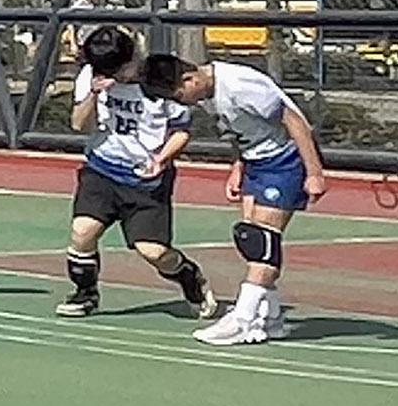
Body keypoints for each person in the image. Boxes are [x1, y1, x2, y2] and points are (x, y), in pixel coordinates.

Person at [141, 53, 328, 346]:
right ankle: (271, 316)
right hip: (256, 162)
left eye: (179, 95)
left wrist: (314, 173)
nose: (182, 103)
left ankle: (242, 319)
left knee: (264, 243)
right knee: (250, 239)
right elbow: (239, 131)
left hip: (284, 162)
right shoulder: (208, 93)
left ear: (190, 79)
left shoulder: (241, 85)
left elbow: (295, 122)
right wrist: (238, 168)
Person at [57, 26, 215, 323]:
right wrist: (93, 93)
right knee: (82, 231)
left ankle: (189, 276)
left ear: (133, 58)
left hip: (145, 180)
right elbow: (79, 125)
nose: (117, 76)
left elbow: (181, 132)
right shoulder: (93, 77)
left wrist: (161, 159)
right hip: (102, 169)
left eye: (121, 70)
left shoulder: (163, 78)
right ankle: (85, 293)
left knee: (153, 252)